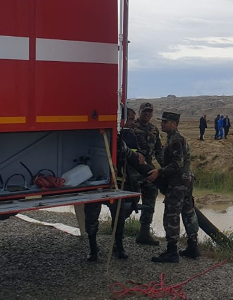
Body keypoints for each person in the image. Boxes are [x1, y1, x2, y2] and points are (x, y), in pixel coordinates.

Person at [84, 127, 150, 262]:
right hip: (96, 183)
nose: (130, 123)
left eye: (131, 120)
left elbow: (137, 157)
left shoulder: (129, 135)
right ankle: (92, 248)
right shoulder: (95, 133)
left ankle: (118, 246)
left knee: (119, 218)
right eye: (129, 119)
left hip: (118, 185)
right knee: (91, 217)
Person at [147, 111, 200, 263]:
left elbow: (177, 164)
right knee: (188, 212)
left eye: (165, 122)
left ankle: (172, 251)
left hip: (178, 182)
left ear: (174, 124)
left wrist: (159, 172)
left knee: (172, 214)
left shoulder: (176, 139)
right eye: (162, 121)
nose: (162, 124)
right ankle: (193, 247)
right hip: (185, 180)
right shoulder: (173, 138)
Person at [133, 102, 163, 246]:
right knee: (126, 202)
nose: (147, 114)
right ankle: (117, 237)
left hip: (148, 169)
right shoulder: (132, 126)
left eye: (149, 111)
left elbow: (159, 151)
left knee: (151, 194)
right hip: (132, 169)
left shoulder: (154, 129)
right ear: (139, 112)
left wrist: (166, 169)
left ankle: (144, 234)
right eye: (144, 111)